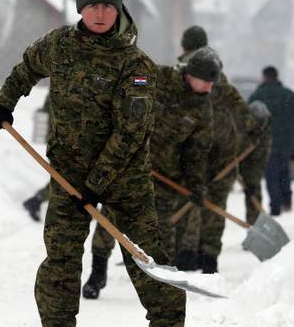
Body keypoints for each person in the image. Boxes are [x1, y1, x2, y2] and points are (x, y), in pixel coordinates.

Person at [0, 0, 195, 327]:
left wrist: (97, 183)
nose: (100, 13)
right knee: (61, 253)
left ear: (118, 10)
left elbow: (132, 131)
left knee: (143, 251)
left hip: (123, 177)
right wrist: (4, 102)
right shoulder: (60, 45)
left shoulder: (135, 64)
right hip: (66, 171)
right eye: (93, 5)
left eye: (108, 6)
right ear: (81, 8)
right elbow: (27, 67)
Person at [83, 46, 216, 294]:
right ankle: (97, 273)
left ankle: (163, 284)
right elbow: (122, 97)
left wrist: (196, 184)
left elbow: (196, 152)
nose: (210, 88)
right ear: (192, 74)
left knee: (162, 229)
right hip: (128, 166)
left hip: (166, 177)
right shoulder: (156, 77)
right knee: (109, 221)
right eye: (206, 82)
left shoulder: (203, 108)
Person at [175, 28, 261, 274]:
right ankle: (209, 257)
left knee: (190, 201)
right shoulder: (218, 73)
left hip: (192, 150)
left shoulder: (180, 72)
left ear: (184, 45)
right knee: (216, 205)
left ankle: (186, 253)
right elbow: (239, 107)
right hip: (223, 150)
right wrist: (254, 128)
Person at [248, 66, 294, 214]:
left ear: (264, 77)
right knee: (284, 172)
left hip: (267, 145)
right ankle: (287, 201)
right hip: (287, 144)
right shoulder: (290, 96)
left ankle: (275, 206)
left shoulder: (257, 97)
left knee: (271, 175)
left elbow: (248, 122)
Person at [239, 100, 273, 224]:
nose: (260, 127)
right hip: (230, 160)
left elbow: (260, 160)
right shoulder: (240, 126)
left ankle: (255, 224)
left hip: (252, 165)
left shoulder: (265, 132)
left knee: (254, 192)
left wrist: (251, 182)